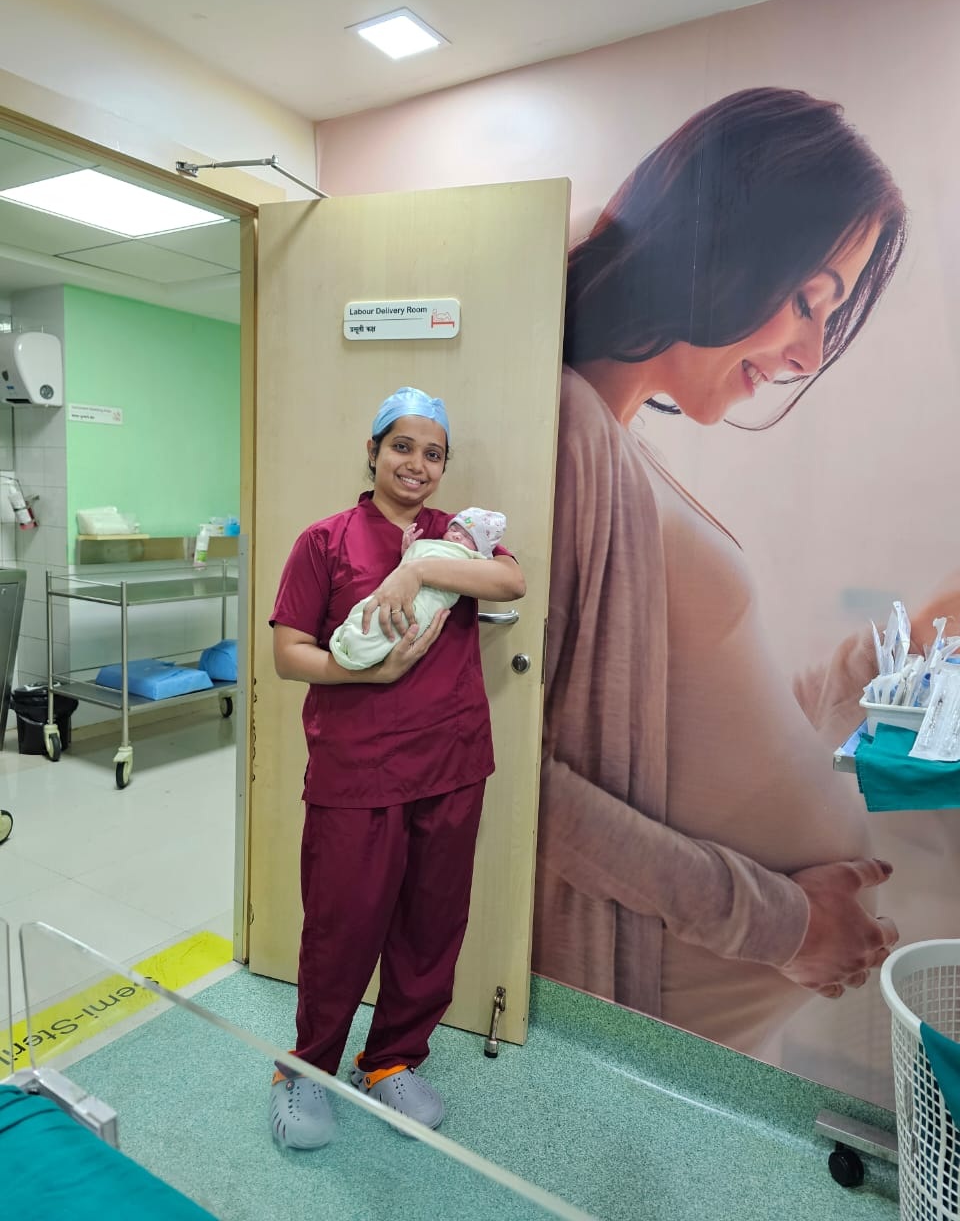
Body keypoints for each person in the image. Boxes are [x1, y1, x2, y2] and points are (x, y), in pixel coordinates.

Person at [534, 88, 909, 1056]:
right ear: (717, 243)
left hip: (702, 1015)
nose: (810, 353)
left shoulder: (619, 443)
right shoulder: (567, 433)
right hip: (644, 1015)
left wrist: (879, 660)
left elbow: (701, 731)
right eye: (807, 300)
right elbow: (502, 776)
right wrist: (783, 924)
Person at [269, 386, 525, 1149]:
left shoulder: (457, 536)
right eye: (402, 447)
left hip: (451, 761)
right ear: (374, 451)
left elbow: (511, 581)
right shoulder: (325, 542)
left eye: (433, 453)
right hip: (359, 770)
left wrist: (416, 572)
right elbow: (289, 655)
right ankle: (306, 1070)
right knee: (343, 928)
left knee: (431, 925)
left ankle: (391, 1060)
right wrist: (367, 673)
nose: (417, 464)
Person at [329, 507, 508, 670]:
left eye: (468, 537)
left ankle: (360, 648)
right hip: (394, 596)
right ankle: (353, 639)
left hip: (421, 606)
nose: (457, 536)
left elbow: (512, 583)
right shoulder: (329, 533)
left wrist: (418, 569)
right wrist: (410, 551)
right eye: (454, 529)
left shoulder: (473, 559)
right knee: (371, 609)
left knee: (397, 624)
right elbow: (407, 571)